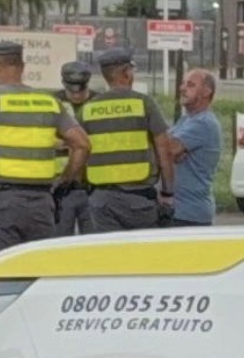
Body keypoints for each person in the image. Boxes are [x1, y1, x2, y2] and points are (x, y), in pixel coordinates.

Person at [0, 41, 91, 258]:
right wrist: (64, 181)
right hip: (42, 202)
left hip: (1, 200)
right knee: (37, 267)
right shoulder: (48, 103)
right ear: (22, 67)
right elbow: (82, 145)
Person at [70, 47, 175, 232]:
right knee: (142, 250)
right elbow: (164, 150)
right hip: (139, 199)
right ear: (126, 73)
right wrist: (167, 193)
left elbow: (77, 152)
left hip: (101, 200)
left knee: (110, 250)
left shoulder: (87, 110)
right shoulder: (144, 104)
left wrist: (80, 185)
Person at [168, 69, 223, 226]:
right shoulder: (186, 120)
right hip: (178, 211)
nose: (182, 88)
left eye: (190, 85)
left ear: (207, 91)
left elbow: (168, 149)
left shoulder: (204, 123)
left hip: (189, 214)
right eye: (183, 84)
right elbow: (165, 149)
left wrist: (170, 151)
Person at [52, 61, 98, 235]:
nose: (76, 95)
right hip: (61, 185)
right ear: (63, 84)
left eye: (81, 89)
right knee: (59, 242)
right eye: (72, 90)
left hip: (93, 185)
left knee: (95, 243)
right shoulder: (52, 103)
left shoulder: (99, 102)